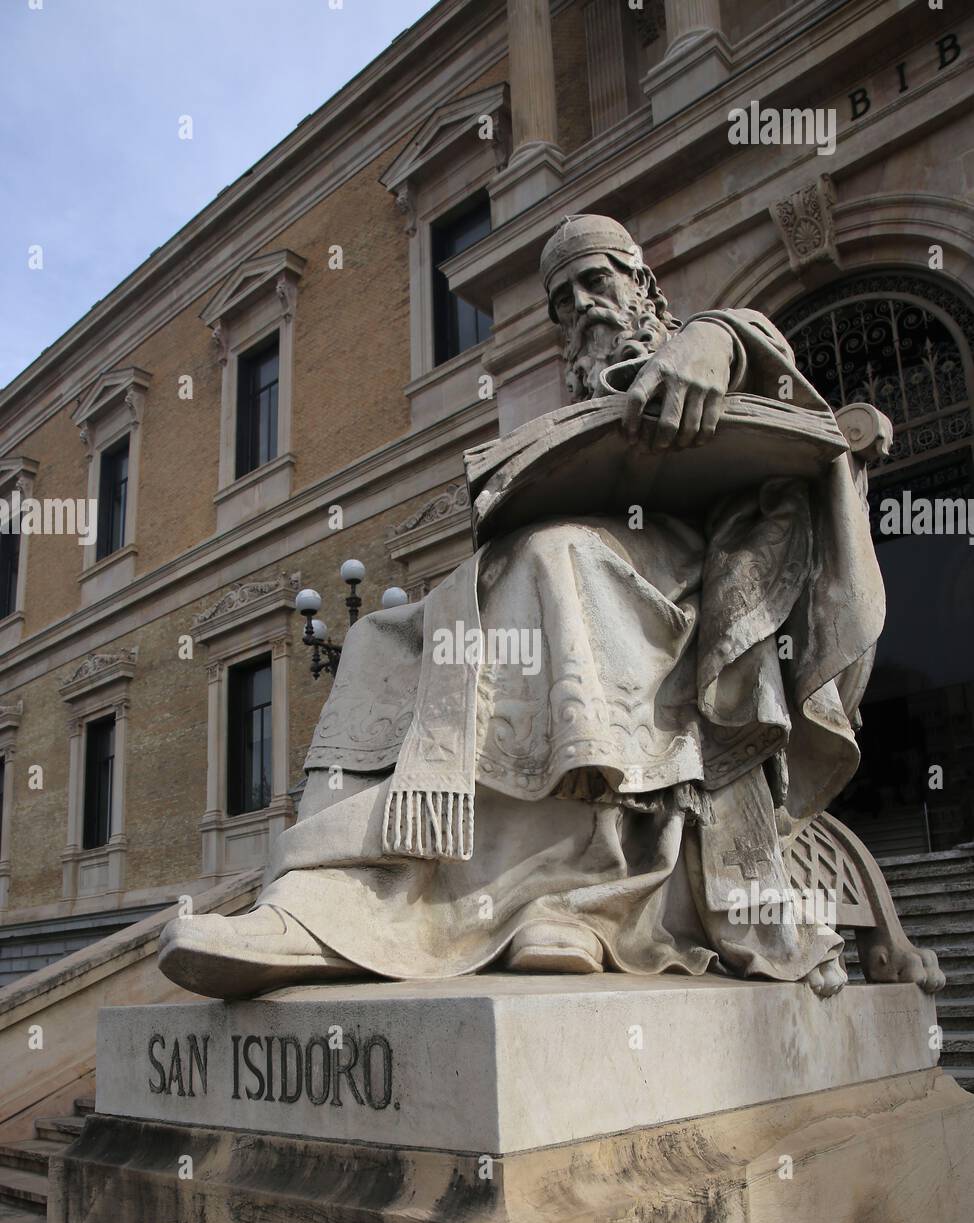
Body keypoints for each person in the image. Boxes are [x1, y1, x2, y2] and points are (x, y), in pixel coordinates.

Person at [160, 214, 883, 999]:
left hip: (693, 573)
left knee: (549, 561)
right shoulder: (579, 389)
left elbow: (775, 387)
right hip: (591, 566)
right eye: (562, 298)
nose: (581, 306)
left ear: (641, 282)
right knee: (377, 636)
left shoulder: (703, 340)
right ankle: (316, 895)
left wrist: (714, 343)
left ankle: (575, 886)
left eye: (596, 280)